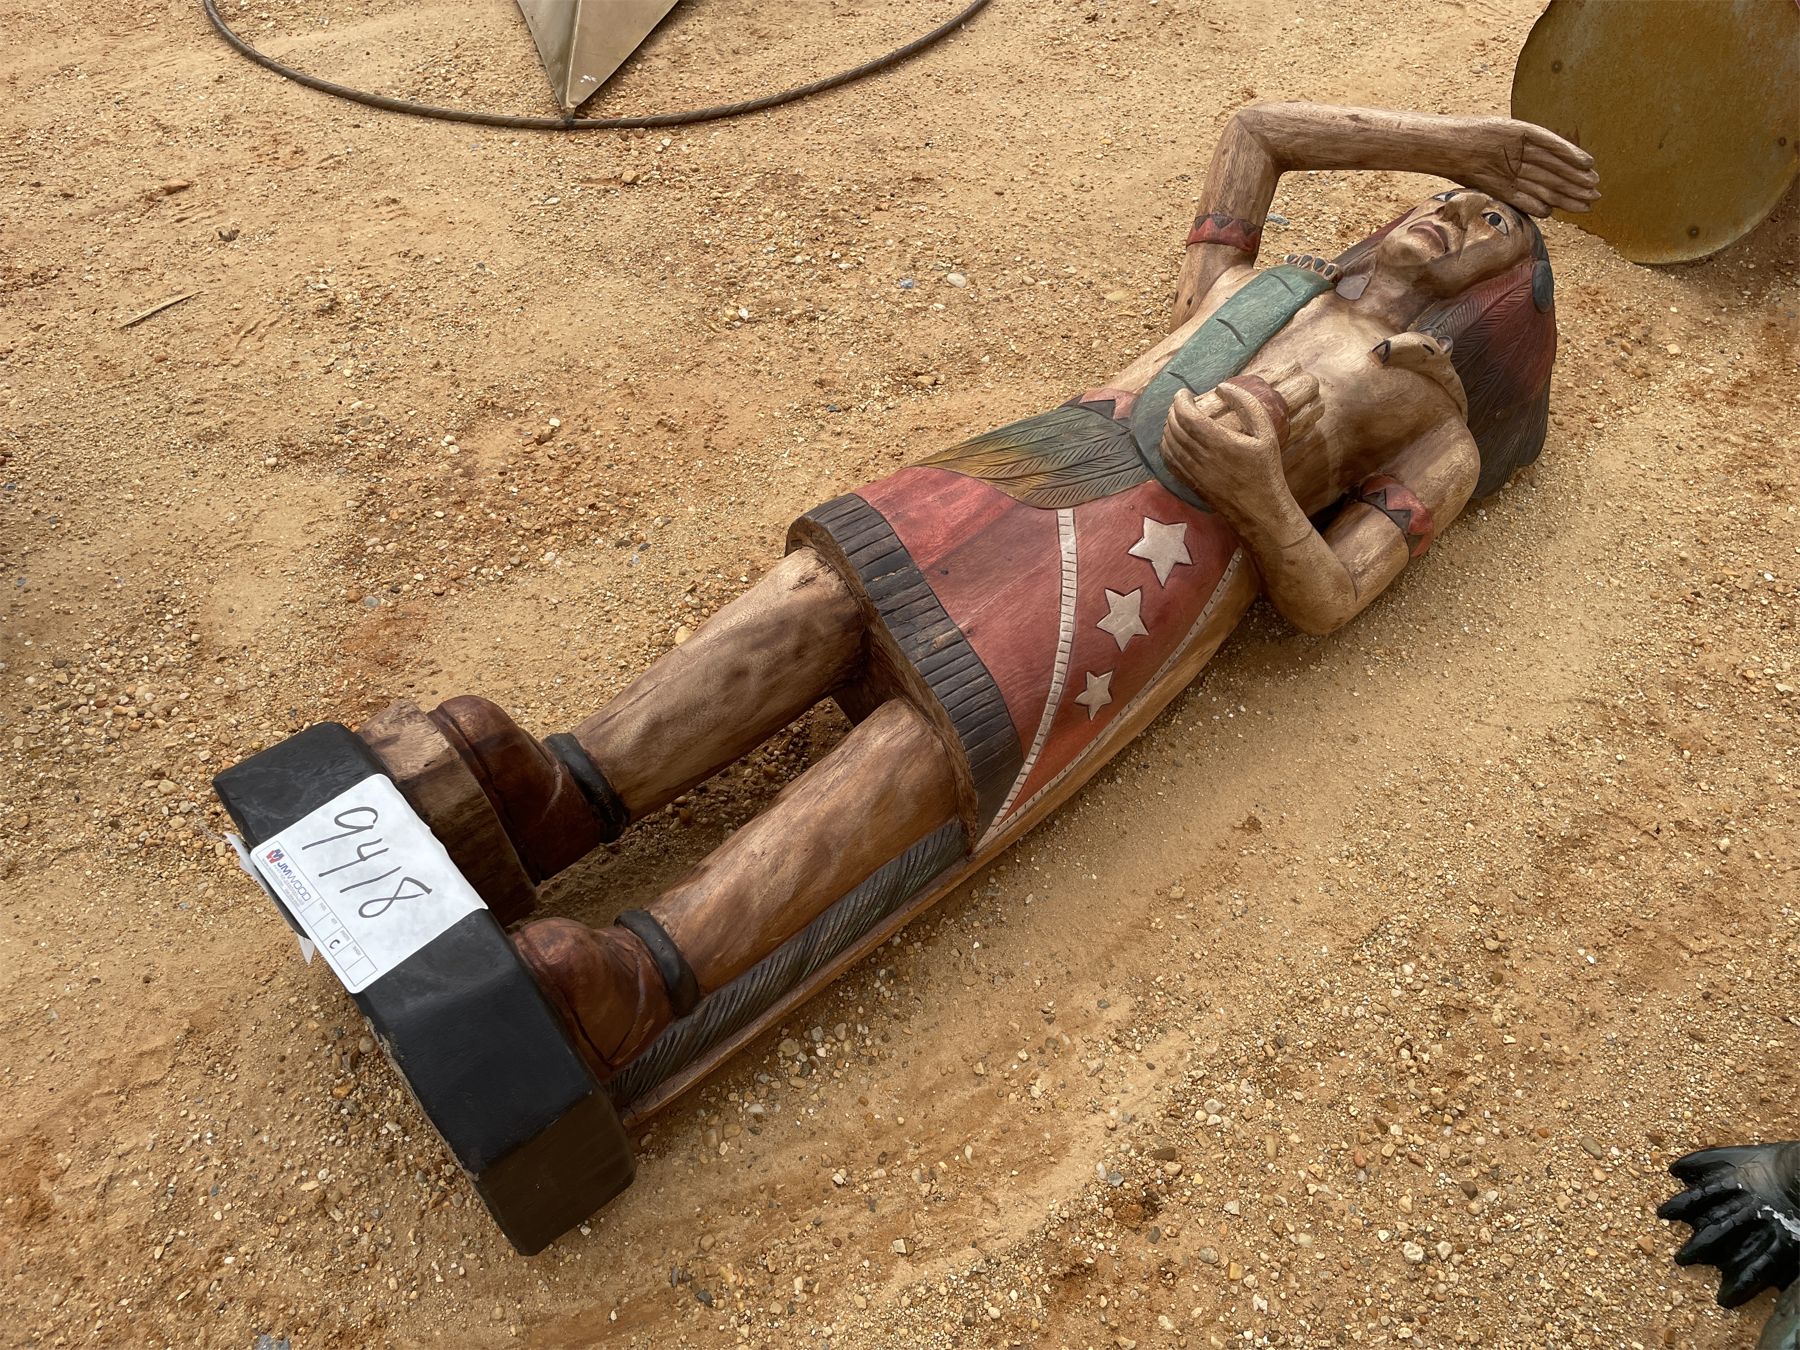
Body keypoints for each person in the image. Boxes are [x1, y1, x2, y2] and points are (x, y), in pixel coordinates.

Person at [385, 103, 1598, 1083]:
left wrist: (1263, 498)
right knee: (823, 590)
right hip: (1039, 462)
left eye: (1487, 223)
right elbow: (1254, 133)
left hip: (1158, 565)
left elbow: (1333, 594)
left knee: (942, 728)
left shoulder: (1438, 429)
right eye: (1446, 195)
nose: (1449, 213)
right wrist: (1455, 141)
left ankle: (652, 975)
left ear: (1497, 300)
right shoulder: (1260, 289)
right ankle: (567, 791)